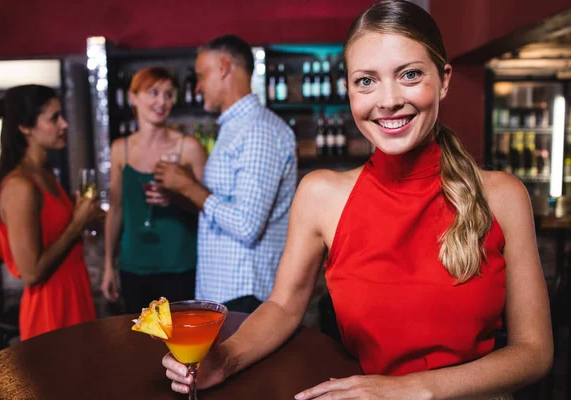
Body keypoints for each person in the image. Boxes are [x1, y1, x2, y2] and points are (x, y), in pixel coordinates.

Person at [162, 1, 553, 398]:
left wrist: (410, 390)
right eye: (366, 81)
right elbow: (282, 307)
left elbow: (534, 351)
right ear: (348, 88)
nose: (387, 101)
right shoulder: (321, 194)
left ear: (445, 79)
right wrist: (224, 360)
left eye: (410, 75)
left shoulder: (502, 196)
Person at [154, 35, 297, 314]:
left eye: (201, 75)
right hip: (226, 290)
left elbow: (246, 225)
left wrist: (189, 187)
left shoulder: (258, 130)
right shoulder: (236, 127)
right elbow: (222, 211)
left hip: (246, 292)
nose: (197, 87)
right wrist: (180, 194)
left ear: (223, 67)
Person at [0, 85, 98, 341]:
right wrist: (77, 223)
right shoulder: (20, 186)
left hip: (74, 293)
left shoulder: (45, 173)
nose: (65, 124)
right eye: (54, 118)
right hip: (50, 308)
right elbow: (31, 273)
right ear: (26, 127)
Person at [100, 66, 207, 314]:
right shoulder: (120, 149)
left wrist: (176, 199)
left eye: (169, 94)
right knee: (140, 343)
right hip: (133, 266)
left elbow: (208, 208)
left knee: (180, 344)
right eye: (154, 92)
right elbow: (115, 210)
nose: (162, 101)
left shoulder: (188, 148)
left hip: (179, 264)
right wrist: (109, 266)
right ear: (133, 98)